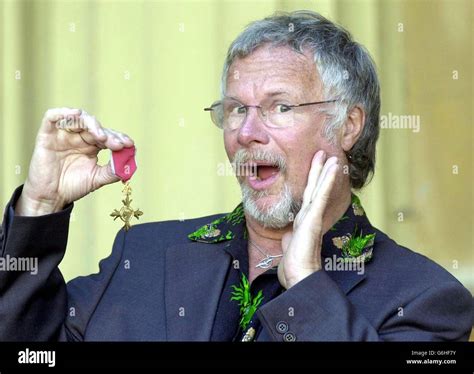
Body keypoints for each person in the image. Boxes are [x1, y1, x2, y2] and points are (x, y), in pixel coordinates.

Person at [0, 10, 472, 342]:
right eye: (234, 110)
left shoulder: (425, 298)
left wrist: (306, 285)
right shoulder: (142, 256)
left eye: (279, 107)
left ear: (348, 125)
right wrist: (39, 207)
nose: (246, 132)